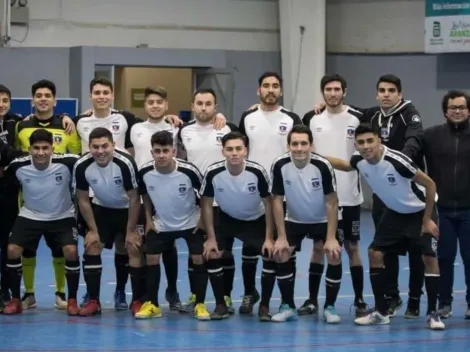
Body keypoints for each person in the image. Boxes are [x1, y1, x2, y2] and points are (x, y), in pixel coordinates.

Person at [326, 123, 444, 330]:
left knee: (429, 257)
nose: (366, 146)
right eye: (361, 143)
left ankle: (433, 314)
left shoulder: (397, 162)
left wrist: (427, 219)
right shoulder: (359, 160)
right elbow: (346, 165)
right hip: (395, 212)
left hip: (420, 210)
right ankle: (381, 312)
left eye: (370, 141)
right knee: (375, 253)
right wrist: (316, 156)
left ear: (379, 141)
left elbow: (430, 184)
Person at [302, 74, 368, 318]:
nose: (332, 93)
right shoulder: (311, 118)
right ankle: (311, 300)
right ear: (322, 92)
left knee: (352, 247)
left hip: (350, 195)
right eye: (328, 89)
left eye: (337, 89)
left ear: (344, 91)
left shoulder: (358, 117)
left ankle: (360, 300)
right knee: (319, 247)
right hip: (320, 196)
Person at [238, 72, 302, 315]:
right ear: (258, 90)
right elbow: (238, 145)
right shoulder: (248, 116)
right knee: (250, 245)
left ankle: (288, 298)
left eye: (275, 86)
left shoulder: (291, 118)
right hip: (253, 191)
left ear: (281, 91)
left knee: (285, 247)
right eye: (266, 86)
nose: (270, 90)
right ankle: (249, 293)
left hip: (283, 193)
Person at [201, 131, 283, 321]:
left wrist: (270, 237)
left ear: (245, 150)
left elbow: (269, 203)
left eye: (238, 148)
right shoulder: (213, 172)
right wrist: (211, 238)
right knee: (212, 254)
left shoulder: (256, 171)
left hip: (255, 220)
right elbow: (206, 203)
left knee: (270, 254)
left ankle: (263, 306)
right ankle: (221, 304)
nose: (234, 153)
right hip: (227, 218)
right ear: (223, 152)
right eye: (229, 149)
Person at [14, 80, 80, 311]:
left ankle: (61, 293)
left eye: (47, 95)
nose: (43, 99)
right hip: (29, 199)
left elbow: (77, 159)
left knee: (60, 249)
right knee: (27, 250)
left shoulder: (68, 126)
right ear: (32, 100)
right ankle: (28, 294)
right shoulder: (21, 127)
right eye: (39, 95)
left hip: (59, 200)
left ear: (55, 100)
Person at [2, 129, 80, 315]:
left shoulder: (67, 163)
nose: (41, 152)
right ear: (29, 149)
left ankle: (72, 300)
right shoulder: (18, 166)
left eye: (45, 148)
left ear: (52, 148)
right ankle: (15, 299)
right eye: (36, 148)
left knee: (71, 250)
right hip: (30, 214)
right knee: (12, 249)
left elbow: (89, 162)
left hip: (62, 215)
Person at [270, 125, 342, 323]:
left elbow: (332, 201)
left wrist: (330, 238)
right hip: (295, 219)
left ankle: (330, 307)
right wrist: (281, 237)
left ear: (311, 145)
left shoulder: (322, 165)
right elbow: (276, 200)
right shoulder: (279, 164)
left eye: (304, 143)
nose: (299, 148)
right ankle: (288, 306)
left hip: (323, 219)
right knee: (281, 252)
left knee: (333, 254)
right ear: (288, 146)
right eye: (295, 144)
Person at [136, 130, 210, 320]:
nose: (161, 155)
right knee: (151, 259)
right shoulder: (145, 172)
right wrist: (148, 219)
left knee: (198, 259)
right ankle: (153, 305)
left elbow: (205, 196)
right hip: (161, 223)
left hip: (191, 221)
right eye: (157, 151)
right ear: (152, 152)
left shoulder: (189, 171)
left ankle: (200, 304)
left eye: (165, 151)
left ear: (174, 151)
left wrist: (202, 220)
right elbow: (144, 195)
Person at [177, 88, 239, 313]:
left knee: (223, 251)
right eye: (199, 103)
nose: (204, 107)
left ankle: (226, 296)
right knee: (196, 252)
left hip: (223, 202)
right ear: (192, 106)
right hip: (193, 202)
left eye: (208, 103)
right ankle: (196, 295)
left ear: (216, 107)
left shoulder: (227, 129)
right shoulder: (182, 131)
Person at [72, 127, 141, 316]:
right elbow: (83, 200)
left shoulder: (125, 163)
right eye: (95, 147)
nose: (100, 151)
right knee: (92, 245)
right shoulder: (82, 165)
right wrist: (92, 230)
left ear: (113, 145)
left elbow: (135, 198)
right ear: (89, 146)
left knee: (130, 247)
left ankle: (131, 297)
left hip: (128, 209)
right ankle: (93, 299)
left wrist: (131, 231)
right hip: (102, 208)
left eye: (105, 146)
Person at [130, 86, 182, 311]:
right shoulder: (135, 128)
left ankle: (172, 291)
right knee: (143, 247)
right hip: (143, 195)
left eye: (159, 102)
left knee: (168, 246)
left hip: (169, 196)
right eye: (150, 102)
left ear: (166, 105)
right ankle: (143, 296)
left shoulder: (176, 127)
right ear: (145, 105)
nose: (155, 105)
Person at [421, 90, 470, 319]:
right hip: (442, 211)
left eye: (461, 107)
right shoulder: (430, 136)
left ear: (468, 110)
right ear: (445, 111)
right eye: (453, 108)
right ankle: (445, 303)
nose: (457, 111)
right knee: (445, 258)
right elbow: (407, 153)